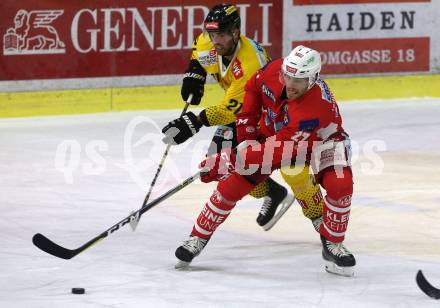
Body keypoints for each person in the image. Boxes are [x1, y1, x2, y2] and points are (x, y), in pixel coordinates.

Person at [174, 45, 356, 277]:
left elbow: (277, 149)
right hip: (277, 134)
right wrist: (247, 132)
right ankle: (197, 238)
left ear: (313, 79)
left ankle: (333, 244)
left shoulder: (314, 109)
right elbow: (252, 87)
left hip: (323, 140)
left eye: (298, 80)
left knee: (340, 184)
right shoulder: (275, 71)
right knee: (231, 187)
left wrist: (228, 159)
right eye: (287, 76)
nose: (290, 83)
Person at [161, 4, 324, 231]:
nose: (215, 40)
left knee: (291, 169)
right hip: (242, 112)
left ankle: (318, 213)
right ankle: (273, 193)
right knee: (225, 166)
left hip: (267, 115)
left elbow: (232, 109)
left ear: (235, 33)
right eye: (213, 34)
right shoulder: (210, 40)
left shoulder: (250, 62)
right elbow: (199, 49)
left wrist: (194, 122)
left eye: (221, 35)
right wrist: (194, 72)